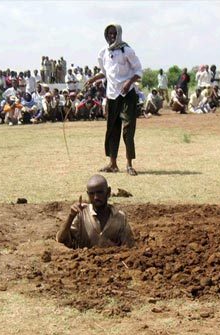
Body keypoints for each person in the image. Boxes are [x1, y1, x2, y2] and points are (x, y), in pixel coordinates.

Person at [85, 24, 142, 176]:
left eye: (114, 33)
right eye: (109, 33)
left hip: (127, 94)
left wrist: (128, 83)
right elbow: (105, 73)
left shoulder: (127, 50)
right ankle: (113, 163)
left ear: (119, 34)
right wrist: (93, 79)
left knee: (128, 129)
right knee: (112, 129)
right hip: (111, 96)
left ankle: (129, 164)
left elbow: (138, 71)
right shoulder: (103, 53)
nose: (112, 36)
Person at [56, 174, 135, 249]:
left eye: (99, 192)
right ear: (87, 194)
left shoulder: (120, 217)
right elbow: (61, 239)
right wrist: (71, 216)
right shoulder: (81, 215)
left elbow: (130, 247)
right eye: (92, 194)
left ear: (108, 192)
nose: (96, 197)